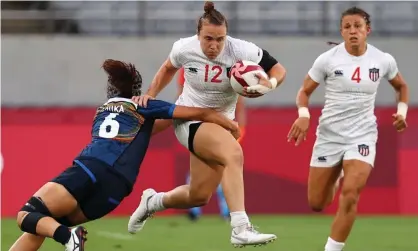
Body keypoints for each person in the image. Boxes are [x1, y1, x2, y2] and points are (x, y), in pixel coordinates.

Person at [8, 59, 239, 251]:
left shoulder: (102, 111)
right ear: (137, 90)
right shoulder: (144, 107)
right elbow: (194, 113)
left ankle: (69, 238)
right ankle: (67, 235)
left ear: (111, 89)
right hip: (117, 189)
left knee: (27, 215)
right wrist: (229, 123)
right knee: (44, 224)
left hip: (89, 169)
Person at [128, 1, 286, 247]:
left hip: (221, 124)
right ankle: (240, 228)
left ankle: (153, 202)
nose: (214, 45)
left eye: (220, 39)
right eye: (208, 38)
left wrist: (270, 84)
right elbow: (168, 68)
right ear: (198, 34)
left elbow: (278, 69)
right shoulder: (184, 48)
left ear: (227, 35)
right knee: (234, 154)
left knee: (198, 195)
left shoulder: (242, 50)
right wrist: (151, 93)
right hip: (190, 119)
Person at [287, 7, 409, 251]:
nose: (353, 31)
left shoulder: (382, 59)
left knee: (351, 194)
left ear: (367, 30)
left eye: (358, 26)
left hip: (362, 135)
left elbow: (401, 86)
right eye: (347, 27)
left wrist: (402, 112)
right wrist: (303, 114)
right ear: (341, 31)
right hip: (330, 136)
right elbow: (304, 91)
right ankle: (337, 172)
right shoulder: (328, 59)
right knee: (317, 203)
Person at [177, 67, 247, 221]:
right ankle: (196, 209)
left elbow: (239, 99)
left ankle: (228, 210)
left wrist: (240, 126)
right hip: (199, 126)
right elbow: (181, 96)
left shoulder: (229, 64)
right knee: (201, 169)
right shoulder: (189, 65)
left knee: (223, 167)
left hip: (223, 125)